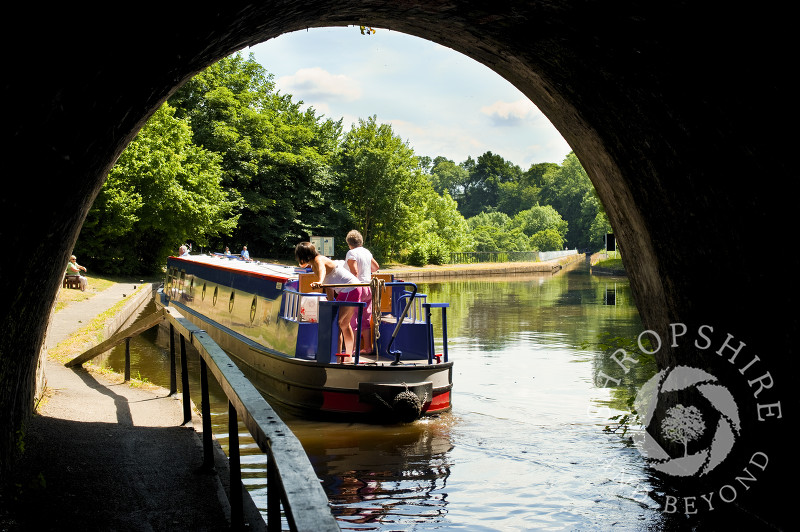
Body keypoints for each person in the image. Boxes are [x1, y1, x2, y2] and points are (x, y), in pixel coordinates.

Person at [295, 241, 363, 356]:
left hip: (349, 289)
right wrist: (331, 302)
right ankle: (348, 356)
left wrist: (319, 282)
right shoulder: (313, 265)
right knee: (344, 324)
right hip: (353, 288)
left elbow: (323, 271)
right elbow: (329, 286)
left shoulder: (318, 260)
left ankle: (335, 358)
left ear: (303, 256)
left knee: (336, 325)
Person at [345, 230, 380, 353]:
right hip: (369, 287)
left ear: (349, 243)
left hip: (357, 287)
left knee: (353, 318)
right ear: (360, 241)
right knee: (365, 318)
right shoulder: (367, 252)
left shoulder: (351, 253)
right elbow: (376, 267)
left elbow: (354, 272)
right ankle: (367, 348)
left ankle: (353, 349)